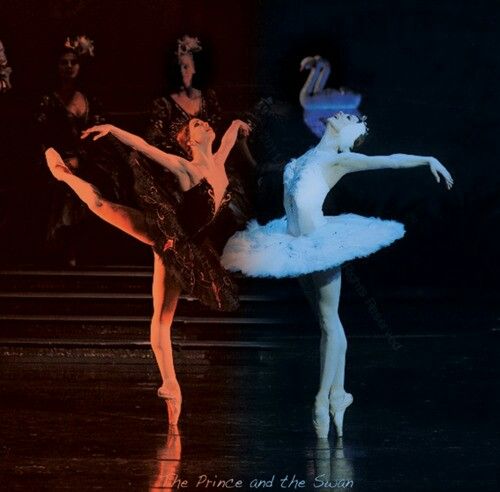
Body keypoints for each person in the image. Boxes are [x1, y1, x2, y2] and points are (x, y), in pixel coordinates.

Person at [222, 112, 454, 439]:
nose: (344, 113)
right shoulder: (306, 156)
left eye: (351, 117)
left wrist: (427, 158)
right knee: (328, 323)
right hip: (293, 244)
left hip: (320, 244)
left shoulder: (338, 160)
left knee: (330, 321)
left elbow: (389, 161)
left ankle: (321, 400)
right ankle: (340, 395)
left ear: (349, 134)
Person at [44, 116, 251, 427]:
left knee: (164, 318)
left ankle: (171, 387)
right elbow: (143, 146)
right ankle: (64, 175)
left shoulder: (219, 160)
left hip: (188, 247)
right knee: (100, 205)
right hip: (168, 236)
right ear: (189, 141)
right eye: (197, 125)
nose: (205, 125)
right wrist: (113, 129)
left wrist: (239, 124)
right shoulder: (186, 167)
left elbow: (231, 136)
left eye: (205, 122)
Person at [147, 35, 255, 232]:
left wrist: (211, 154)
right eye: (178, 67)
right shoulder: (164, 104)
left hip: (211, 157)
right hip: (183, 164)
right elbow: (155, 140)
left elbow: (220, 127)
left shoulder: (207, 97)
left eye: (186, 66)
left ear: (194, 69)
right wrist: (189, 155)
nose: (182, 71)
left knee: (231, 186)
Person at [36, 36, 105, 266]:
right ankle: (64, 248)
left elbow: (97, 132)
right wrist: (62, 160)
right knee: (65, 185)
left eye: (72, 63)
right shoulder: (50, 100)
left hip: (88, 160)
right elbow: (43, 137)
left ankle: (86, 249)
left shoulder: (90, 98)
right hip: (58, 160)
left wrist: (84, 156)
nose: (68, 67)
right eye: (63, 63)